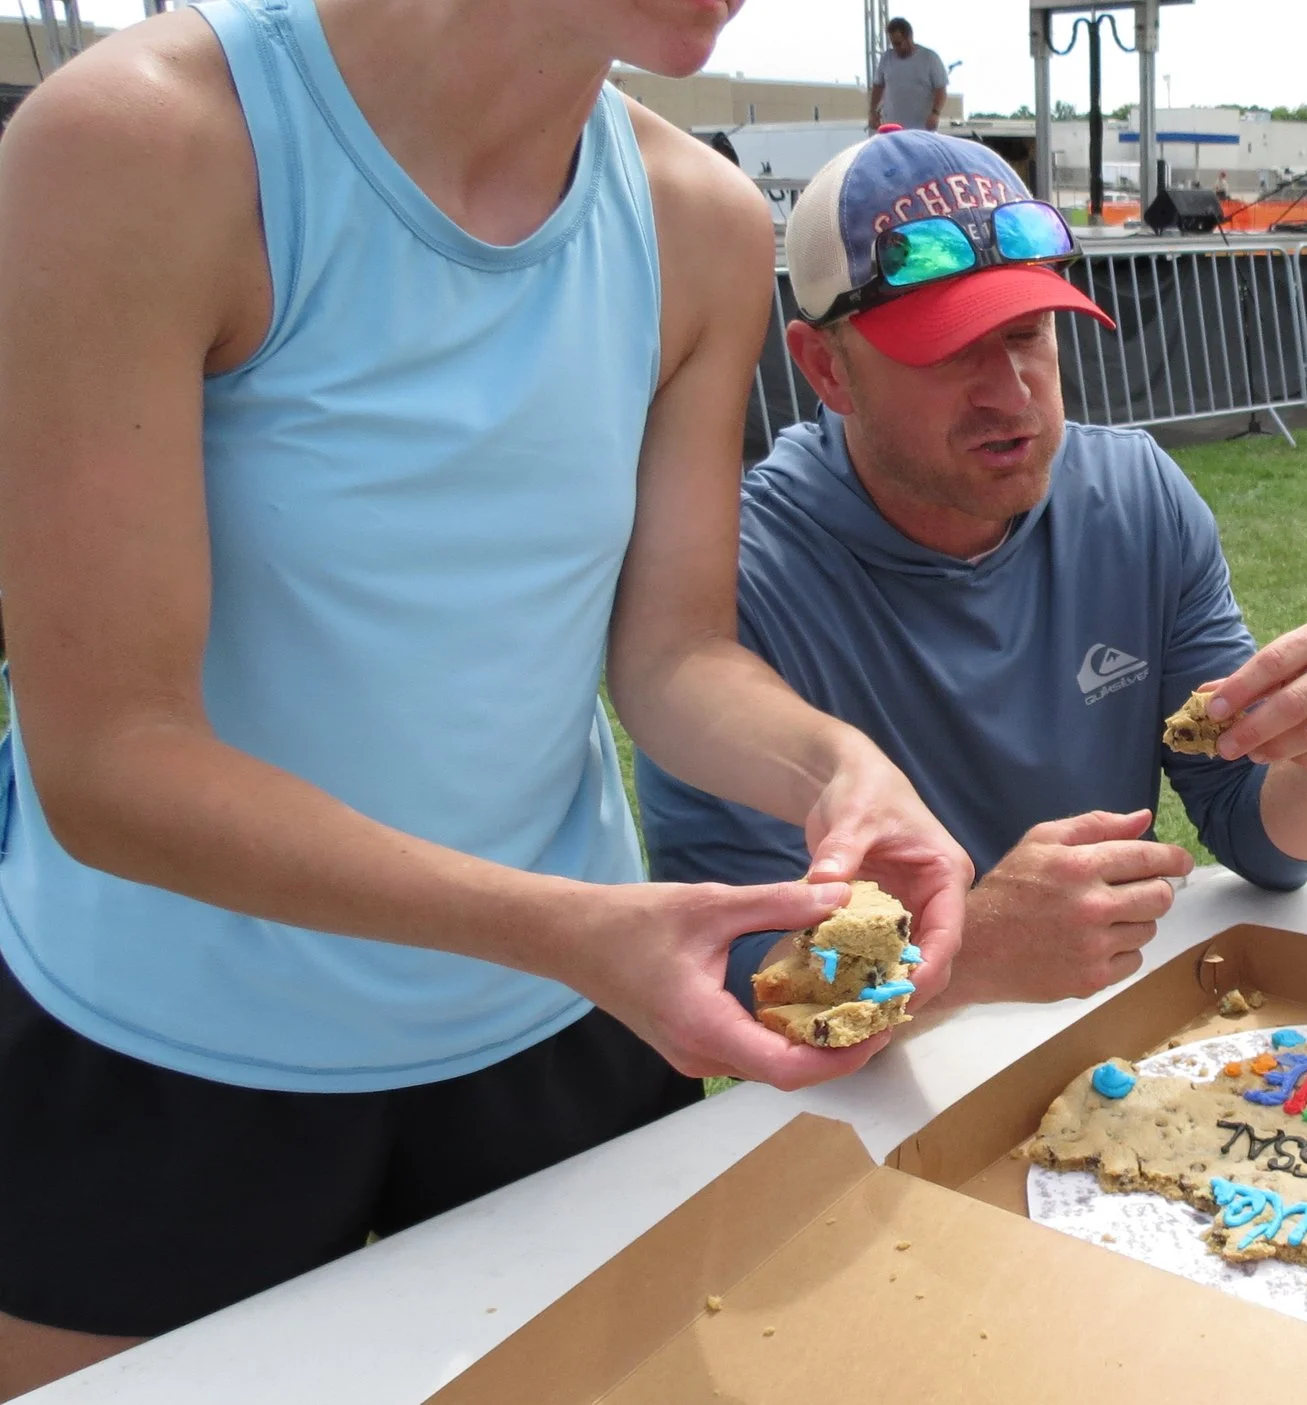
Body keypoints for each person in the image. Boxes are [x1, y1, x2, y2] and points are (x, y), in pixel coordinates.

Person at [0, 0, 976, 1392]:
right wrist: (572, 934)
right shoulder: (148, 144)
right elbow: (112, 758)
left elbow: (672, 656)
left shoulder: (695, 219)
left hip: (553, 1030)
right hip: (167, 1049)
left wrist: (837, 772)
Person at [640, 130, 1307, 1007]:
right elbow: (738, 967)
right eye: (946, 348)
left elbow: (1255, 827)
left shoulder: (1135, 498)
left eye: (1029, 332)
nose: (1011, 394)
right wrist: (973, 950)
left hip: (1101, 1060)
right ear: (827, 368)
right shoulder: (734, 580)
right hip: (882, 1106)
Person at [871, 17, 947, 133]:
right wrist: (872, 112)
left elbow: (940, 90)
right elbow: (878, 87)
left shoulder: (930, 58)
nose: (896, 48)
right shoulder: (886, 59)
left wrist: (935, 113)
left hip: (922, 130)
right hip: (893, 130)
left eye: (898, 43)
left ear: (909, 37)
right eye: (893, 44)